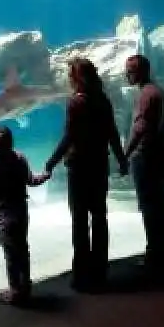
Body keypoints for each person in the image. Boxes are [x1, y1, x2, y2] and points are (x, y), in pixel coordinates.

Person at [44, 57, 128, 293]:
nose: (69, 78)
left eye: (71, 74)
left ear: (77, 77)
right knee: (100, 217)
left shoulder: (75, 103)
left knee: (80, 221)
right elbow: (112, 133)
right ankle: (100, 271)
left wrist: (51, 161)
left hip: (80, 168)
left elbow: (70, 136)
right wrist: (121, 159)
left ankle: (82, 274)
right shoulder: (103, 100)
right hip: (100, 166)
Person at [0, 126, 50, 305]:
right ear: (12, 142)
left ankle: (15, 291)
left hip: (5, 215)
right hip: (21, 211)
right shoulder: (20, 158)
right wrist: (44, 176)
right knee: (23, 249)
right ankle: (25, 287)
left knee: (11, 255)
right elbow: (31, 180)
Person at [123, 54, 164, 273]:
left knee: (148, 204)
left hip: (146, 156)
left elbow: (141, 127)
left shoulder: (146, 95)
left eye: (131, 70)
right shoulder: (160, 92)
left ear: (143, 70)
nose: (127, 74)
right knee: (160, 201)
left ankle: (155, 251)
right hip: (160, 154)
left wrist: (124, 154)